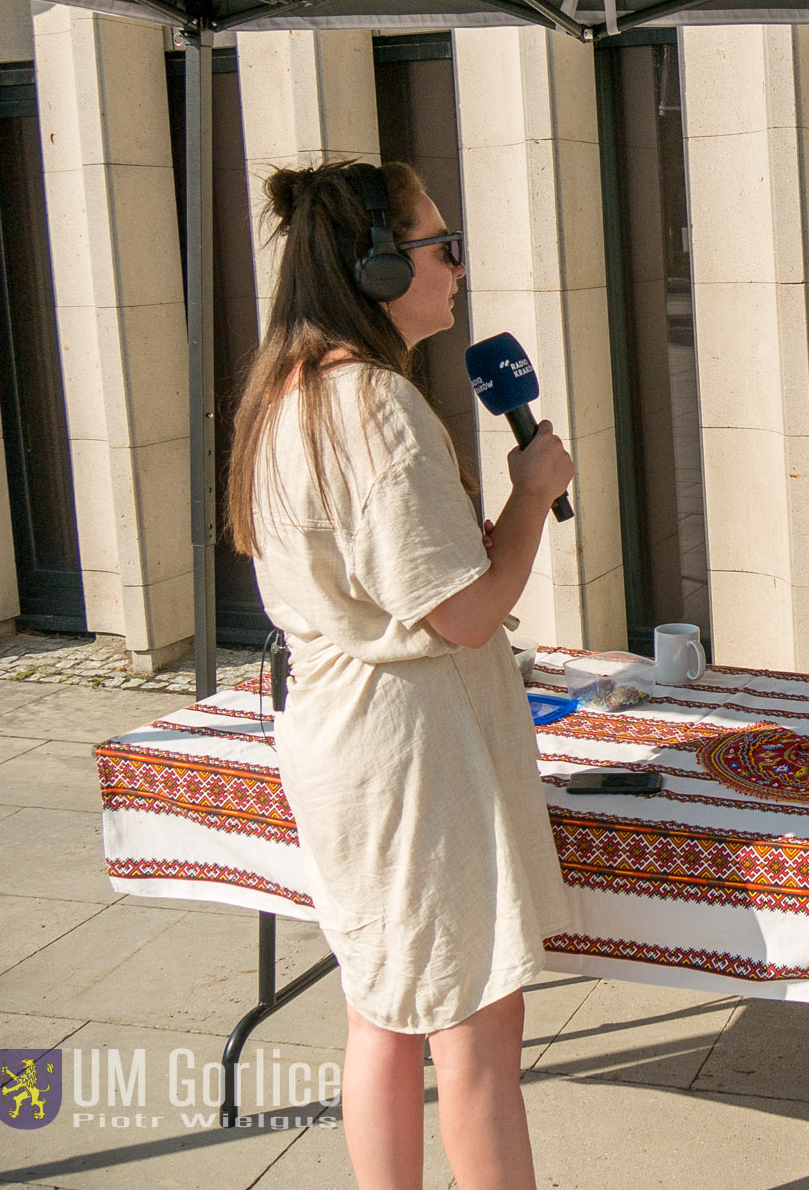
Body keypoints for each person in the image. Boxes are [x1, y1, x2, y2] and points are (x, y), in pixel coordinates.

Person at [227, 160, 576, 1190]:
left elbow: (382, 576)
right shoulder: (372, 404)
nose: (460, 266)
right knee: (472, 1030)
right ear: (377, 267)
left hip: (346, 739)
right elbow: (466, 612)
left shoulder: (285, 388)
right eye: (441, 245)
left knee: (383, 1006)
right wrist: (531, 495)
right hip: (408, 755)